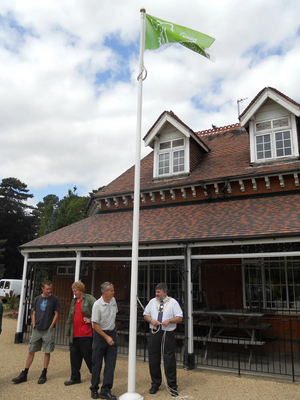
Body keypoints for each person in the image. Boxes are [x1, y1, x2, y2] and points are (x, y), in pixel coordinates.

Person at [12, 280, 61, 385]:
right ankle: (24, 373)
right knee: (31, 350)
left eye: (50, 289)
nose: (49, 290)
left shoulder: (55, 299)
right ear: (42, 288)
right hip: (37, 329)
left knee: (47, 351)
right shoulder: (37, 299)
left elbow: (56, 314)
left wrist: (51, 326)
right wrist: (33, 324)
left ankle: (44, 373)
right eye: (47, 289)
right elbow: (33, 312)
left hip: (47, 329)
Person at [143, 282, 183, 398]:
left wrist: (169, 321)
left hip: (168, 333)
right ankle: (155, 383)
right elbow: (145, 314)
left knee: (169, 359)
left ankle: (172, 386)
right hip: (155, 332)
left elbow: (179, 317)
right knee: (153, 358)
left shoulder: (173, 302)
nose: (156, 294)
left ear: (164, 293)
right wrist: (151, 320)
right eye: (156, 292)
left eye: (158, 292)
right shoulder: (152, 302)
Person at [64, 281, 96, 386]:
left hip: (86, 334)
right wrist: (67, 331)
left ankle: (95, 376)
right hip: (75, 335)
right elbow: (70, 317)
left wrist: (90, 319)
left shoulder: (90, 299)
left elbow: (98, 311)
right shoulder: (73, 302)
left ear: (81, 290)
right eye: (73, 291)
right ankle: (75, 377)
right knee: (74, 357)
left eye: (76, 291)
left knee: (88, 356)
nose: (74, 293)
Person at [90, 282, 118, 400]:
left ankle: (106, 389)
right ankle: (94, 388)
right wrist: (106, 337)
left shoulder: (113, 301)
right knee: (97, 363)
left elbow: (114, 317)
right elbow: (94, 325)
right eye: (111, 290)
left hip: (111, 333)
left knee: (110, 363)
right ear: (105, 292)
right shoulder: (97, 305)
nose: (113, 292)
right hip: (100, 335)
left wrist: (114, 332)